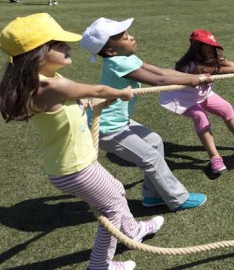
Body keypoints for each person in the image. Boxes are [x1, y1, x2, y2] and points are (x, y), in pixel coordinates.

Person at [0, 13, 163, 270]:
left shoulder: (39, 84)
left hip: (69, 165)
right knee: (111, 210)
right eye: (58, 44)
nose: (67, 47)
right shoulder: (49, 86)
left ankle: (132, 230)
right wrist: (120, 92)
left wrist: (88, 103)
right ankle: (100, 264)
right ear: (38, 54)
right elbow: (97, 90)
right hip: (76, 167)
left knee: (117, 192)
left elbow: (74, 104)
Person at [80, 17, 208, 212]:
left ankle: (152, 196)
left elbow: (160, 71)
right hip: (108, 128)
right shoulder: (116, 63)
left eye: (129, 34)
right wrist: (191, 79)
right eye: (125, 38)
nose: (131, 38)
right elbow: (160, 81)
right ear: (111, 51)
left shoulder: (127, 58)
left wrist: (193, 77)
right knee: (151, 158)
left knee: (155, 141)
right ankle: (177, 199)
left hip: (121, 122)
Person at [160, 30, 234, 173]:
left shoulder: (213, 57)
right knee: (201, 117)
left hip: (202, 94)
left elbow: (233, 64)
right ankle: (214, 157)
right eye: (206, 46)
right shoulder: (191, 64)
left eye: (212, 46)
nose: (210, 49)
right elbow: (222, 70)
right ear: (197, 47)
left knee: (226, 108)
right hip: (183, 98)